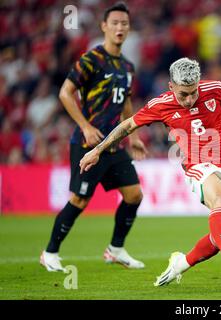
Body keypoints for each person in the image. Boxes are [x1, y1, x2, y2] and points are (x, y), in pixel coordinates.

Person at [79, 58, 221, 283]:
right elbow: (127, 125)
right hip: (198, 166)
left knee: (220, 238)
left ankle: (181, 263)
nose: (189, 99)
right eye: (183, 94)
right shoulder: (160, 105)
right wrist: (96, 150)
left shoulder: (215, 90)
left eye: (193, 92)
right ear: (171, 87)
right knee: (220, 200)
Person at [40, 2, 148, 272]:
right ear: (104, 26)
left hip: (113, 144)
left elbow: (125, 103)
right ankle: (49, 252)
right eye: (115, 23)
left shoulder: (127, 66)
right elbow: (65, 92)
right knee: (79, 200)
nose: (120, 28)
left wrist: (132, 136)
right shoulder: (91, 60)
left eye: (124, 23)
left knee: (134, 195)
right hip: (88, 144)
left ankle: (116, 249)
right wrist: (86, 126)